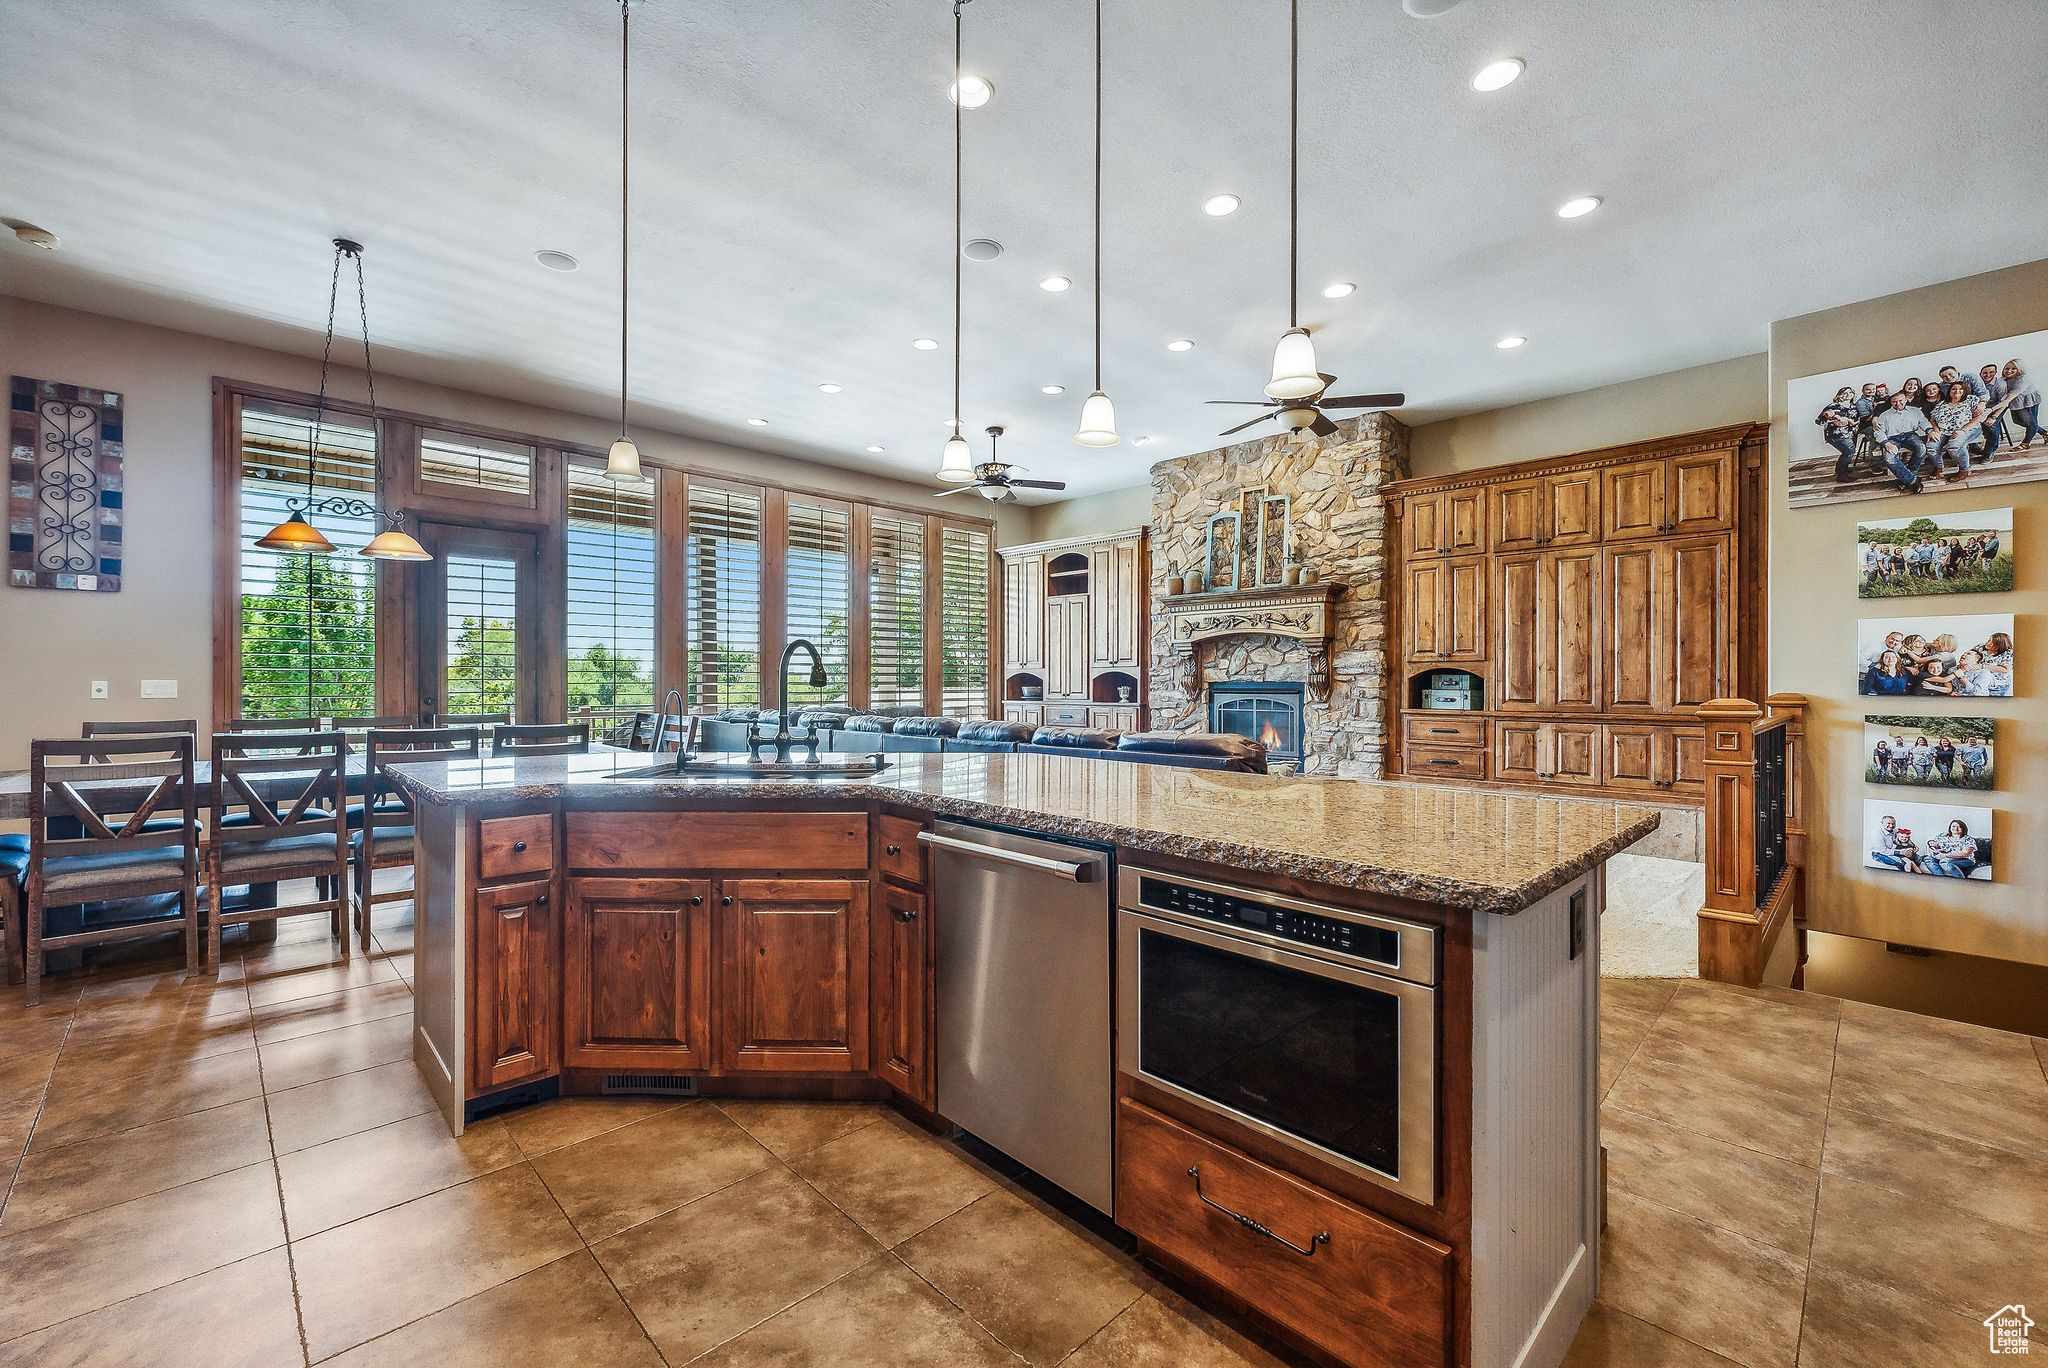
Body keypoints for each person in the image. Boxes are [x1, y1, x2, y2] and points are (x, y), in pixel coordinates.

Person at [1869, 392, 1932, 491]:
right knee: (1889, 458)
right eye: (1894, 401)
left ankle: (1908, 476)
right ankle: (1913, 480)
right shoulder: (1884, 415)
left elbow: (1923, 422)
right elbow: (1878, 432)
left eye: (1900, 400)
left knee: (1922, 449)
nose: (1897, 403)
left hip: (1910, 435)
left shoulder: (1915, 411)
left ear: (1906, 400)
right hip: (1892, 438)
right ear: (1891, 402)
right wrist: (1887, 444)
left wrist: (1929, 431)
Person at [1929, 380, 1986, 481]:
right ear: (1950, 391)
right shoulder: (1942, 403)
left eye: (1960, 389)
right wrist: (1936, 430)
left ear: (1965, 391)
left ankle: (1965, 470)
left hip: (1968, 428)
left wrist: (1963, 430)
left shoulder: (1970, 400)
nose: (1957, 391)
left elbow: (1979, 417)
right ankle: (1939, 467)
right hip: (1944, 431)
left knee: (1954, 446)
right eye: (1954, 388)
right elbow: (1932, 418)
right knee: (1931, 447)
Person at [1818, 387, 1863, 477]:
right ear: (1839, 395)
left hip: (1850, 433)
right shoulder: (1833, 406)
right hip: (1836, 434)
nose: (1848, 394)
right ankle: (1842, 475)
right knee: (1849, 451)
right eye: (1844, 393)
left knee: (1849, 452)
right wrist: (1834, 419)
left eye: (1850, 392)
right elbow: (1819, 420)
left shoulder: (1854, 406)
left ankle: (1840, 469)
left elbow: (1858, 419)